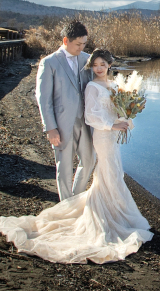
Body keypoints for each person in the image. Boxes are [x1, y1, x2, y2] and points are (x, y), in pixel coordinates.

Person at [0, 49, 153, 264]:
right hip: (102, 136)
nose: (99, 68)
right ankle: (111, 215)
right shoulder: (92, 87)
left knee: (114, 172)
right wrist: (112, 125)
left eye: (102, 64)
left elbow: (118, 110)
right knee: (109, 172)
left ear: (110, 65)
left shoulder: (114, 86)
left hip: (112, 136)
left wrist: (127, 118)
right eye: (95, 65)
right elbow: (92, 116)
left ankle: (116, 211)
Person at [36, 20, 96, 201]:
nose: (81, 47)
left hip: (85, 122)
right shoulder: (49, 63)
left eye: (84, 43)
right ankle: (66, 205)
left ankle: (76, 198)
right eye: (78, 44)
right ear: (65, 40)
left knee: (89, 161)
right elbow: (43, 99)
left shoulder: (87, 59)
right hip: (62, 123)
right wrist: (50, 127)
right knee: (64, 166)